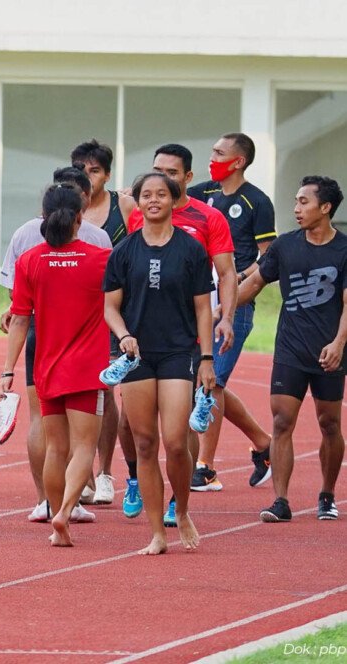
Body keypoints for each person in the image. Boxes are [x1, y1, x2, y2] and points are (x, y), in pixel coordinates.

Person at [125, 144, 237, 525]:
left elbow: (226, 273)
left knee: (181, 425)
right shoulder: (140, 214)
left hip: (187, 333)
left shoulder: (208, 218)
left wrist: (226, 317)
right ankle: (137, 481)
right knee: (133, 425)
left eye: (171, 174)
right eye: (157, 171)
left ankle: (178, 496)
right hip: (142, 332)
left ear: (188, 177)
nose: (162, 180)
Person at [105, 172, 215, 555]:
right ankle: (156, 533)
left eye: (161, 194)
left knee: (176, 441)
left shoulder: (191, 250)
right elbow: (110, 307)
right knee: (145, 443)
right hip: (136, 356)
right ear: (137, 203)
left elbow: (204, 308)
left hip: (177, 352)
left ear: (173, 199)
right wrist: (123, 335)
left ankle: (181, 510)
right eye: (146, 195)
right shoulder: (123, 252)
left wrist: (206, 358)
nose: (153, 200)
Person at [0, 166, 112, 525]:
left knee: (55, 447)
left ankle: (49, 505)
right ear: (80, 216)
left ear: (43, 216)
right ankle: (66, 511)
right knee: (83, 447)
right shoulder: (101, 259)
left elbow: (19, 318)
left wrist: (7, 370)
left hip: (45, 365)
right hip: (85, 368)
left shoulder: (29, 260)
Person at [237, 176, 346, 523]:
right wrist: (220, 313)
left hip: (329, 350)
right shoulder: (285, 245)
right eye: (296, 201)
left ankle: (327, 494)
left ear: (325, 207)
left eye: (303, 202)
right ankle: (281, 501)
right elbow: (255, 282)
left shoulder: (344, 249)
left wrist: (339, 343)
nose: (296, 208)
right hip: (290, 349)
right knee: (282, 421)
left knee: (330, 423)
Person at [187, 133, 275, 491]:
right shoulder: (202, 192)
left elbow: (268, 258)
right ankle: (264, 443)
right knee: (207, 382)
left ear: (238, 161)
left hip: (234, 304)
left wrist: (235, 282)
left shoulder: (257, 202)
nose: (212, 158)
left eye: (219, 153)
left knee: (212, 382)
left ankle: (205, 467)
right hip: (197, 300)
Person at [70, 140, 136, 506]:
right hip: (74, 310)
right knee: (77, 391)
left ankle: (106, 471)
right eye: (81, 169)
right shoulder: (63, 208)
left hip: (114, 309)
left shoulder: (123, 206)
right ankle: (82, 474)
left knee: (106, 389)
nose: (88, 176)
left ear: (107, 175)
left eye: (94, 170)